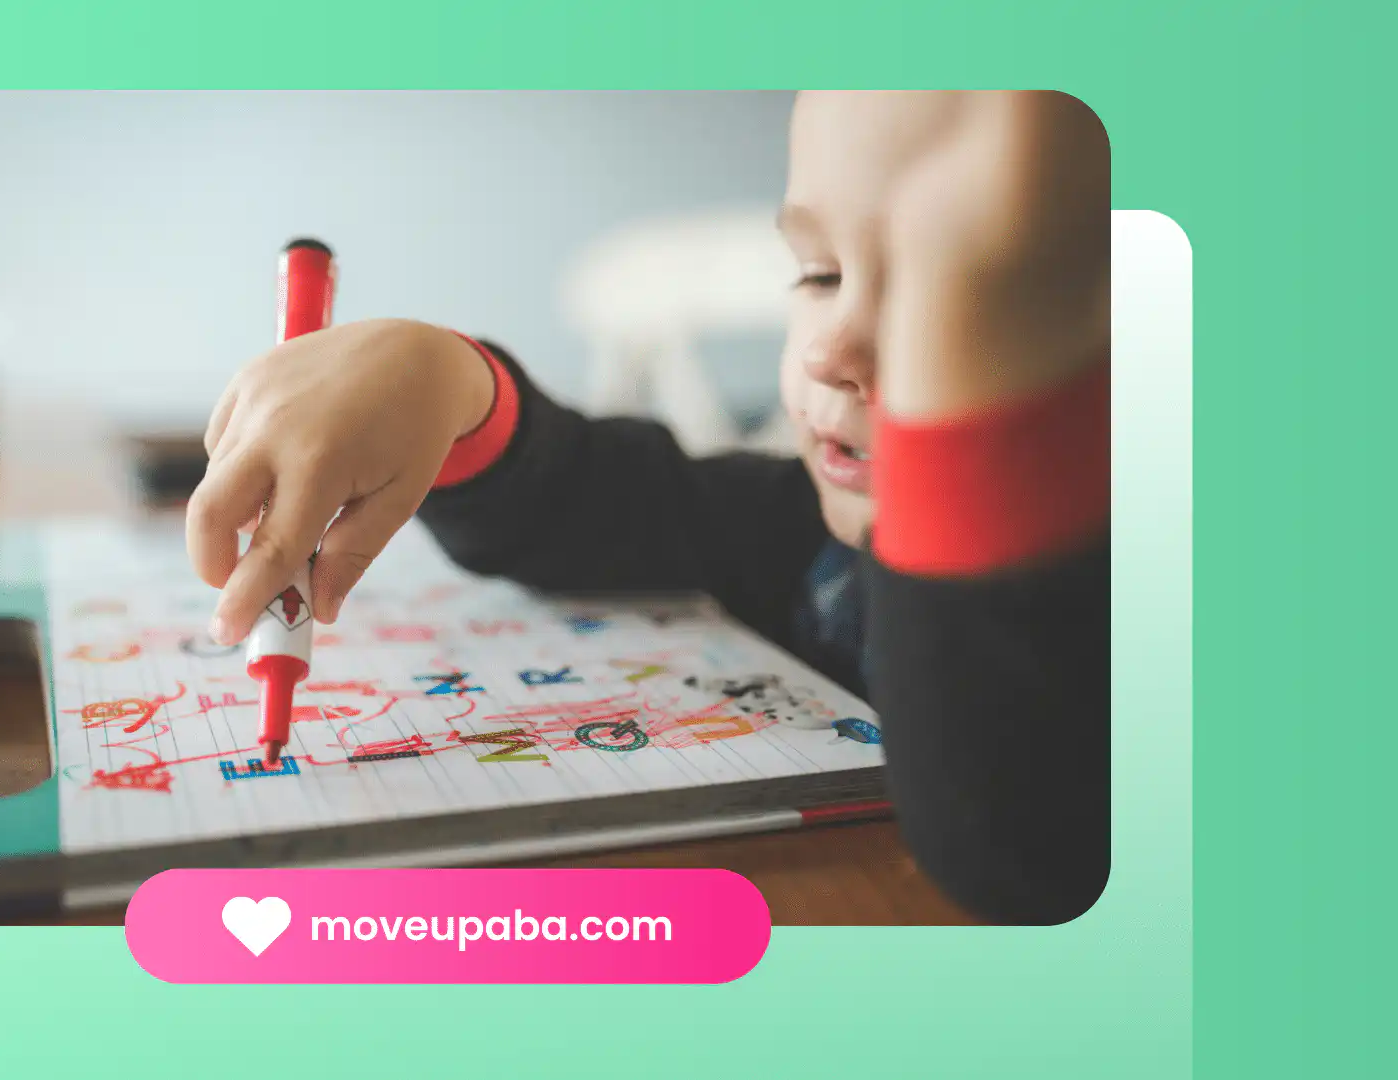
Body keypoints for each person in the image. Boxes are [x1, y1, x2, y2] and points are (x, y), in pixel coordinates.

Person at [186, 90, 1110, 924]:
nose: (829, 347)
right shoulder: (805, 534)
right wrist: (448, 383)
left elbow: (1027, 849)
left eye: (967, 288)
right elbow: (605, 505)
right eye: (819, 274)